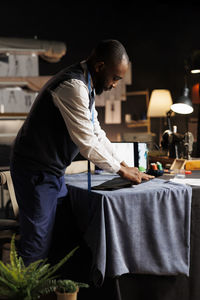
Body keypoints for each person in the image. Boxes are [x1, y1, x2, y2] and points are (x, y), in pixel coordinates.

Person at [10, 39, 153, 265]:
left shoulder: (86, 85)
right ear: (99, 67)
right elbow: (87, 143)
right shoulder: (73, 87)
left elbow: (96, 132)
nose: (115, 84)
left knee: (63, 237)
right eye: (115, 78)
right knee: (36, 245)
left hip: (52, 171)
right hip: (35, 171)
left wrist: (123, 164)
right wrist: (120, 171)